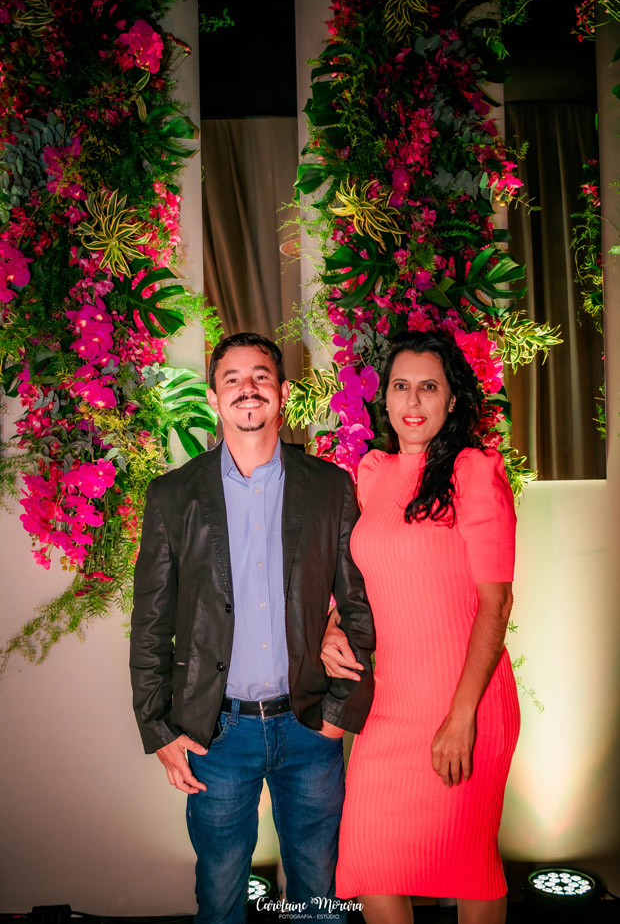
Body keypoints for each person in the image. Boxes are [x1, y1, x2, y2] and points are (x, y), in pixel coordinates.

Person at [130, 332, 375, 924]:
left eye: (261, 376)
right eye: (233, 378)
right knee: (219, 898)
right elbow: (151, 621)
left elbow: (360, 603)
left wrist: (339, 713)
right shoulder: (172, 495)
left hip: (309, 726)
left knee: (319, 897)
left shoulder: (331, 487)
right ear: (213, 396)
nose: (248, 388)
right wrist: (157, 728)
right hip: (215, 733)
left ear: (283, 392)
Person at [321, 330, 520, 924]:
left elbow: (496, 604)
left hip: (466, 702)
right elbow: (362, 579)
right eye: (400, 386)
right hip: (391, 704)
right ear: (383, 397)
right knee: (371, 861)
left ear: (452, 399)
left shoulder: (474, 470)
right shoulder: (373, 471)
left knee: (469, 867)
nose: (412, 401)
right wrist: (333, 626)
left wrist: (462, 718)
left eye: (428, 387)